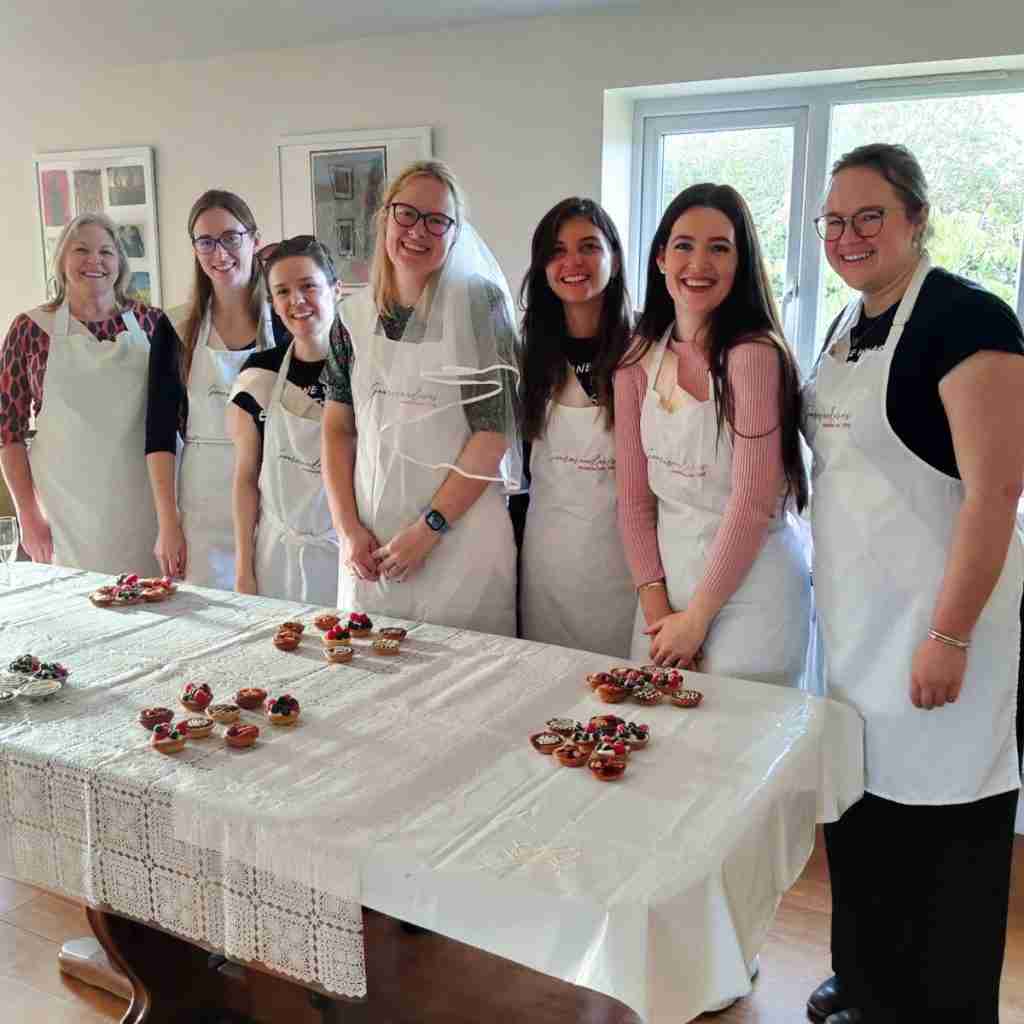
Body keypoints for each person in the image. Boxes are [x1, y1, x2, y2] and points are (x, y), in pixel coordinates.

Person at [802, 143, 1024, 1024]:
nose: (849, 236)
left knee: (948, 835)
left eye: (870, 217)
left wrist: (950, 632)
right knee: (865, 824)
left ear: (916, 218)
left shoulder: (971, 320)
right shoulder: (848, 323)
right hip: (859, 628)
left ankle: (943, 1009)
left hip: (941, 631)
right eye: (834, 221)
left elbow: (997, 491)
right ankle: (867, 986)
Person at [614, 183, 810, 683]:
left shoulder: (753, 356)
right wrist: (660, 612)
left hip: (752, 594)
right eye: (684, 245)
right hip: (667, 595)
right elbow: (635, 503)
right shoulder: (637, 364)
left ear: (740, 264)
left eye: (719, 248)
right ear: (661, 257)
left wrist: (697, 620)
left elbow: (752, 503)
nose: (698, 263)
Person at [322, 160, 520, 636]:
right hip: (372, 548)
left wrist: (429, 529)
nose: (418, 230)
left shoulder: (479, 306)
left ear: (455, 234)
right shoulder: (350, 316)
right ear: (385, 218)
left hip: (461, 544)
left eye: (437, 220)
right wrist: (348, 530)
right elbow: (337, 429)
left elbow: (492, 435)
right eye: (406, 214)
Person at [0, 212, 183, 577]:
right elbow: (8, 432)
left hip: (147, 506)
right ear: (62, 260)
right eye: (81, 250)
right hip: (67, 515)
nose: (94, 261)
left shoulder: (154, 324)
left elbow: (179, 417)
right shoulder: (31, 329)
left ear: (120, 263)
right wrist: (29, 513)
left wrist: (175, 517)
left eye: (106, 252)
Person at [515, 197, 635, 655]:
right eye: (557, 251)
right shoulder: (526, 353)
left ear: (614, 258)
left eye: (589, 246)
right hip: (549, 558)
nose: (573, 262)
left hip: (624, 561)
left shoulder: (645, 347)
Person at [171, 190, 283, 590]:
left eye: (231, 238)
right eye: (206, 242)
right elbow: (159, 433)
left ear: (254, 239)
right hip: (202, 498)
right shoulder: (177, 327)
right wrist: (168, 523)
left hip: (272, 489)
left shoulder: (284, 320)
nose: (219, 253)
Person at [227, 236, 339, 603]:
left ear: (334, 290)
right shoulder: (258, 375)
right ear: (273, 302)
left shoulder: (364, 371)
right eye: (283, 291)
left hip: (346, 555)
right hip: (275, 556)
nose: (297, 301)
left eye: (308, 286)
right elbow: (245, 478)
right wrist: (243, 570)